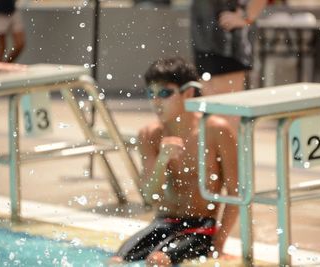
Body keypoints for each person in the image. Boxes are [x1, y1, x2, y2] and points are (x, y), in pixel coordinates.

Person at [111, 57, 239, 266]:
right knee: (116, 261)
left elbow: (236, 193)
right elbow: (150, 196)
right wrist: (163, 159)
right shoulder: (149, 134)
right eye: (151, 94)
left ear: (188, 93)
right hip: (163, 222)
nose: (156, 102)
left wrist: (219, 244)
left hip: (201, 227)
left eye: (164, 93)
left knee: (157, 260)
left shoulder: (216, 131)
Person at [191, 0, 267, 129]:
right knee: (210, 109)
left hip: (228, 38)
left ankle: (231, 147)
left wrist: (246, 17)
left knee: (225, 111)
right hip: (203, 35)